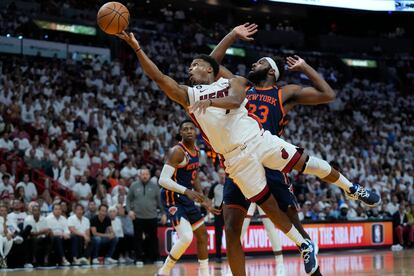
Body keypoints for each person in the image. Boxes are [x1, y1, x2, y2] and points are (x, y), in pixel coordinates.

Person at [116, 30, 380, 274]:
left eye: (195, 65)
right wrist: (138, 49)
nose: (189, 69)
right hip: (235, 159)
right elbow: (161, 78)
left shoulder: (237, 82)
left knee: (308, 164)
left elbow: (233, 97)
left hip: (260, 140)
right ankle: (304, 245)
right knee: (267, 210)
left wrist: (209, 97)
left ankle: (351, 189)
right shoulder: (190, 94)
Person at [157, 120, 219, 276]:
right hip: (172, 197)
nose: (189, 131)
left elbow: (195, 175)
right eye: (185, 129)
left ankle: (204, 273)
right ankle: (163, 272)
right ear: (181, 133)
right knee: (186, 237)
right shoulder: (177, 151)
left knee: (203, 235)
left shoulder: (197, 151)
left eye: (192, 128)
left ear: (196, 131)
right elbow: (162, 180)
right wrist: (186, 191)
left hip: (186, 196)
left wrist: (204, 199)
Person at [127, 168, 166, 266]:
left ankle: (156, 258)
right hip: (138, 217)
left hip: (152, 216)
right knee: (138, 239)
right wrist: (129, 211)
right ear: (139, 175)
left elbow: (160, 202)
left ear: (149, 175)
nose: (145, 176)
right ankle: (139, 258)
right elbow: (128, 200)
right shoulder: (133, 186)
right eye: (143, 174)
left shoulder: (155, 186)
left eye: (146, 174)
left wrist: (164, 214)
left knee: (153, 238)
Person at [208, 168, 225, 263]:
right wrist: (209, 211)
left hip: (228, 212)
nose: (222, 175)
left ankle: (232, 255)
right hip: (218, 211)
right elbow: (209, 199)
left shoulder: (229, 185)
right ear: (218, 175)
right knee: (218, 235)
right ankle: (218, 256)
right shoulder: (214, 186)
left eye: (223, 174)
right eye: (221, 174)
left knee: (232, 234)